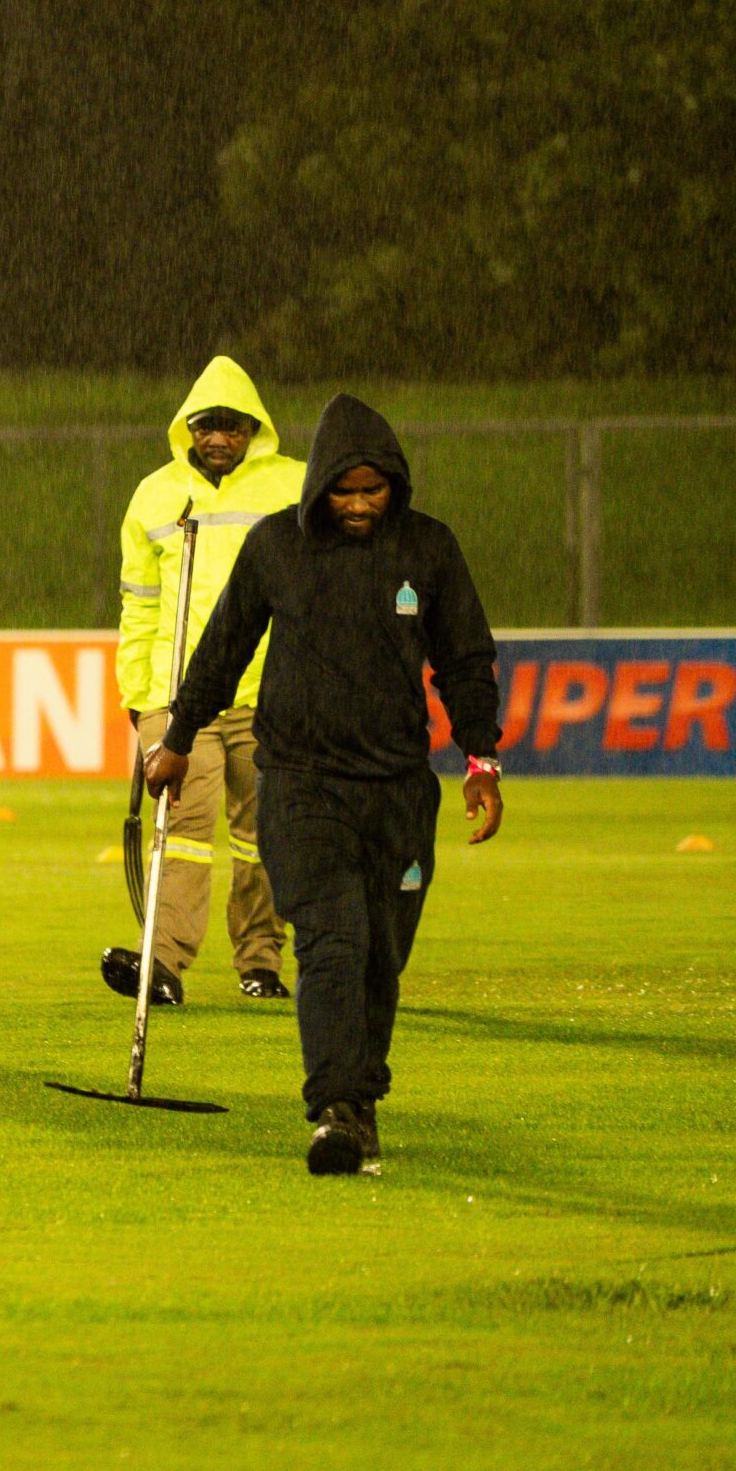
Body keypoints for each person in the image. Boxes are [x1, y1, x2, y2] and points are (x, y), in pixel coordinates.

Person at [147, 392, 503, 1175]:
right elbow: (222, 649)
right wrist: (176, 739)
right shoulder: (278, 547)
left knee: (382, 954)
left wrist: (482, 760)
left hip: (400, 794)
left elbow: (467, 660)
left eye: (373, 491)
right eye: (345, 490)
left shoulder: (430, 551)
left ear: (395, 487)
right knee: (335, 937)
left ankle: (360, 1095)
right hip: (303, 786)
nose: (359, 505)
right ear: (320, 487)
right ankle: (336, 1109)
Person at [106, 356, 304, 1006]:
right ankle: (162, 964)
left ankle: (260, 962)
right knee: (183, 827)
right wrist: (138, 696)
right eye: (206, 425)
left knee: (262, 835)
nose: (218, 438)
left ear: (254, 427)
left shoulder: (296, 487)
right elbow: (137, 604)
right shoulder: (155, 495)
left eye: (232, 426)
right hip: (178, 697)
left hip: (268, 695)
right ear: (187, 427)